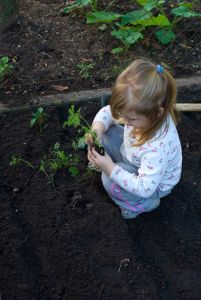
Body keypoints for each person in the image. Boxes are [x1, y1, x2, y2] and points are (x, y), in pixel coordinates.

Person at [86, 58, 182, 219]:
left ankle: (141, 206)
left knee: (109, 181)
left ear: (157, 113)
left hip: (152, 186)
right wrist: (97, 130)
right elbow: (108, 113)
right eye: (123, 116)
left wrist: (110, 169)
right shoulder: (144, 113)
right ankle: (111, 164)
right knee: (106, 132)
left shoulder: (157, 147)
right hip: (134, 156)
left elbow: (145, 188)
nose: (124, 121)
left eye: (131, 119)